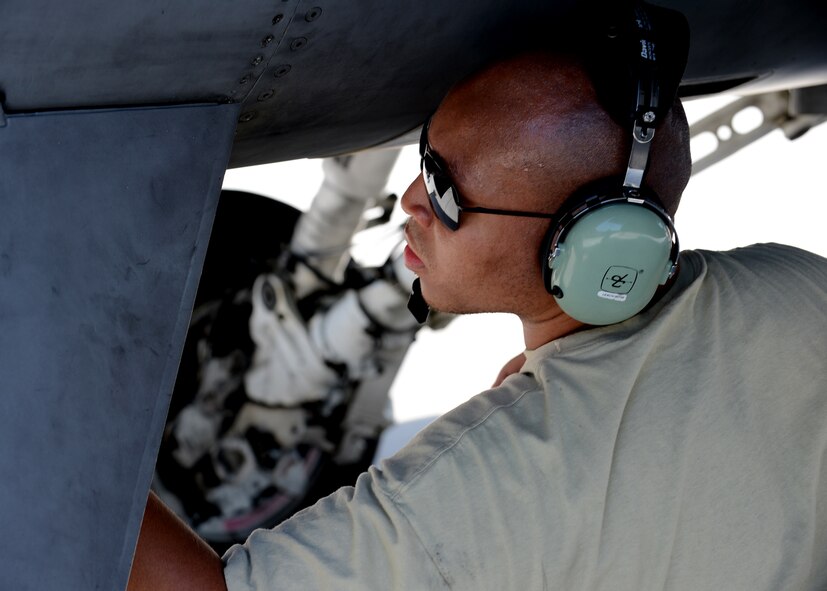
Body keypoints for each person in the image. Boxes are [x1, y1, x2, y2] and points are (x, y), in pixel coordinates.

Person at [128, 49, 827, 590]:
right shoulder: (797, 282)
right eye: (423, 161)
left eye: (445, 190)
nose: (410, 199)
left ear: (589, 246)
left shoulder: (491, 478)